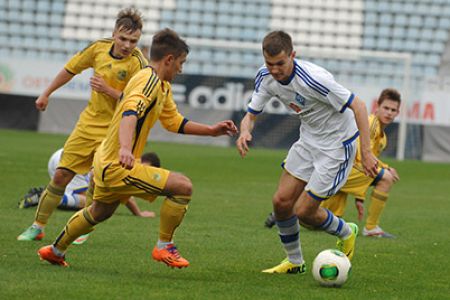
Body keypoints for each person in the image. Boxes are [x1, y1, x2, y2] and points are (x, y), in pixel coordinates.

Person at [37, 28, 238, 268]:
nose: (181, 69)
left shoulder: (160, 85)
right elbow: (130, 112)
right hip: (117, 163)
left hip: (105, 160)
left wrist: (211, 130)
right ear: (169, 60)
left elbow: (173, 121)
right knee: (183, 187)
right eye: (181, 63)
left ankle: (55, 250)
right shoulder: (149, 81)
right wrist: (125, 149)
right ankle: (164, 247)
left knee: (99, 212)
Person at [236, 31, 378, 274]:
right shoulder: (265, 76)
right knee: (281, 202)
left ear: (293, 55)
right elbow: (250, 115)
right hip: (309, 140)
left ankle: (346, 231)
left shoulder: (314, 79)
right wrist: (244, 132)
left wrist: (366, 152)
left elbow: (359, 106)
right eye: (270, 64)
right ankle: (294, 261)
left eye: (280, 63)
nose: (275, 70)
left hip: (336, 145)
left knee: (304, 212)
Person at [17, 8, 148, 241]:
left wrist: (108, 90)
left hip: (116, 130)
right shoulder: (97, 48)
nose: (127, 45)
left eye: (133, 41)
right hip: (88, 124)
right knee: (60, 176)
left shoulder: (139, 63)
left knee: (97, 181)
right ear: (114, 33)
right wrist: (46, 93)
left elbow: (139, 103)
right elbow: (70, 69)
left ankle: (82, 229)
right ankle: (37, 226)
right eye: (123, 38)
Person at [320, 88, 401, 238]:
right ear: (377, 107)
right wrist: (386, 167)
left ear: (397, 113)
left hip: (351, 172)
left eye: (393, 110)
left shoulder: (383, 138)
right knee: (386, 177)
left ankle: (288, 213)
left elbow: (368, 164)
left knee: (322, 219)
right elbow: (361, 155)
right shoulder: (370, 124)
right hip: (341, 168)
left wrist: (359, 198)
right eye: (386, 108)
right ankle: (371, 228)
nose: (389, 112)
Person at [19, 149, 158, 218]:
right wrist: (139, 213)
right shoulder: (129, 161)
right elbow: (125, 195)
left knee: (91, 198)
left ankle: (52, 195)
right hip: (76, 161)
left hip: (63, 155)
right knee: (93, 205)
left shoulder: (128, 152)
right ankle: (44, 195)